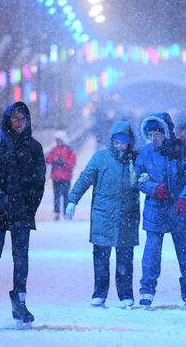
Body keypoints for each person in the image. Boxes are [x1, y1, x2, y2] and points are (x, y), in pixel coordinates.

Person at [0, 102, 46, 329]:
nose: (19, 123)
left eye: (23, 119)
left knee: (21, 257)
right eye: (15, 118)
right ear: (7, 120)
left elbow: (39, 180)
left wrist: (30, 205)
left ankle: (19, 299)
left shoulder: (34, 147)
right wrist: (0, 198)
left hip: (21, 210)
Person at [135, 112, 186, 310]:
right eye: (150, 134)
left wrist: (184, 197)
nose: (153, 138)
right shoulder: (146, 153)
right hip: (155, 209)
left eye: (157, 134)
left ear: (166, 132)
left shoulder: (185, 150)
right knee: (152, 251)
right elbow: (139, 177)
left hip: (179, 210)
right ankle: (147, 290)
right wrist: (153, 188)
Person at [65, 121, 140, 309]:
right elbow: (85, 179)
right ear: (111, 141)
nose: (120, 146)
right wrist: (73, 199)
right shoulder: (100, 158)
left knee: (125, 259)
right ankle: (99, 293)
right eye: (117, 142)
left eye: (123, 142)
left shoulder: (136, 160)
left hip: (127, 217)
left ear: (129, 142)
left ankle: (125, 294)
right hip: (103, 216)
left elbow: (147, 180)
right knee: (100, 258)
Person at [45, 131, 76, 220]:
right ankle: (57, 212)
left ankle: (64, 213)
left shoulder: (69, 150)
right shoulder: (55, 149)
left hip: (65, 177)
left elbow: (72, 163)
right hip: (57, 177)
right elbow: (47, 159)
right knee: (57, 196)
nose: (58, 141)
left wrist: (64, 163)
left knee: (65, 196)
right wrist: (55, 160)